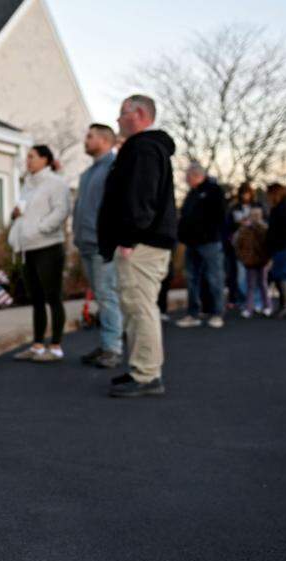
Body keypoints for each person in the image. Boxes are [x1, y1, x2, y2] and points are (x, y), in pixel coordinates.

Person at [97, 94, 177, 398]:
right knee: (135, 308)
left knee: (140, 307)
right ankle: (141, 368)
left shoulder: (143, 149)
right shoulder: (147, 149)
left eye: (122, 113)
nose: (117, 120)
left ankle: (146, 375)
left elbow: (141, 197)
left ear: (139, 114)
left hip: (142, 245)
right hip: (144, 242)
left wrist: (129, 238)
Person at [9, 145, 72, 363]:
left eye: (32, 157)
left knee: (52, 297)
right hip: (27, 248)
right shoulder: (28, 184)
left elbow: (61, 211)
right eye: (27, 157)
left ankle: (55, 347)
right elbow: (25, 212)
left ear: (45, 160)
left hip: (48, 246)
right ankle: (37, 346)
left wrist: (40, 229)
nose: (27, 160)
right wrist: (15, 215)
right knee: (36, 298)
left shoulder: (56, 183)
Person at [71, 124, 122, 368]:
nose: (86, 140)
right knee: (101, 296)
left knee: (107, 294)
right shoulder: (88, 173)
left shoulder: (113, 169)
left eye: (90, 136)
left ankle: (113, 348)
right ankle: (105, 344)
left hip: (103, 246)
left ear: (104, 140)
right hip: (86, 243)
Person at [174, 162, 227, 328]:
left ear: (196, 175)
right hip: (192, 243)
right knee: (192, 279)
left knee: (214, 278)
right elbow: (185, 216)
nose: (185, 180)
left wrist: (206, 233)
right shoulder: (192, 193)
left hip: (209, 242)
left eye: (187, 177)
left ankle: (217, 313)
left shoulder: (213, 190)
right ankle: (193, 314)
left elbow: (219, 216)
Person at [265, 183, 286, 319]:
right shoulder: (285, 205)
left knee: (279, 274)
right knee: (282, 273)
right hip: (285, 245)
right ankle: (285, 304)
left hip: (284, 246)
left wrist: (273, 239)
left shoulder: (283, 206)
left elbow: (285, 226)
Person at [232, 206, 271, 318]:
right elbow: (237, 243)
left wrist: (269, 258)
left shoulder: (264, 228)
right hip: (250, 261)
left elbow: (269, 245)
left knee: (262, 284)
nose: (255, 218)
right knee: (251, 285)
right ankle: (249, 307)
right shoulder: (245, 229)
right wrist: (243, 257)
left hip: (262, 260)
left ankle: (266, 306)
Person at [225, 182, 256, 307]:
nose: (245, 196)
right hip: (238, 243)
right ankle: (238, 298)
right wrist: (239, 224)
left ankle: (251, 299)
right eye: (243, 193)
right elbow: (228, 226)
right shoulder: (234, 208)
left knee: (252, 274)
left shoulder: (257, 207)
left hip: (253, 244)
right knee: (237, 273)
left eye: (247, 193)